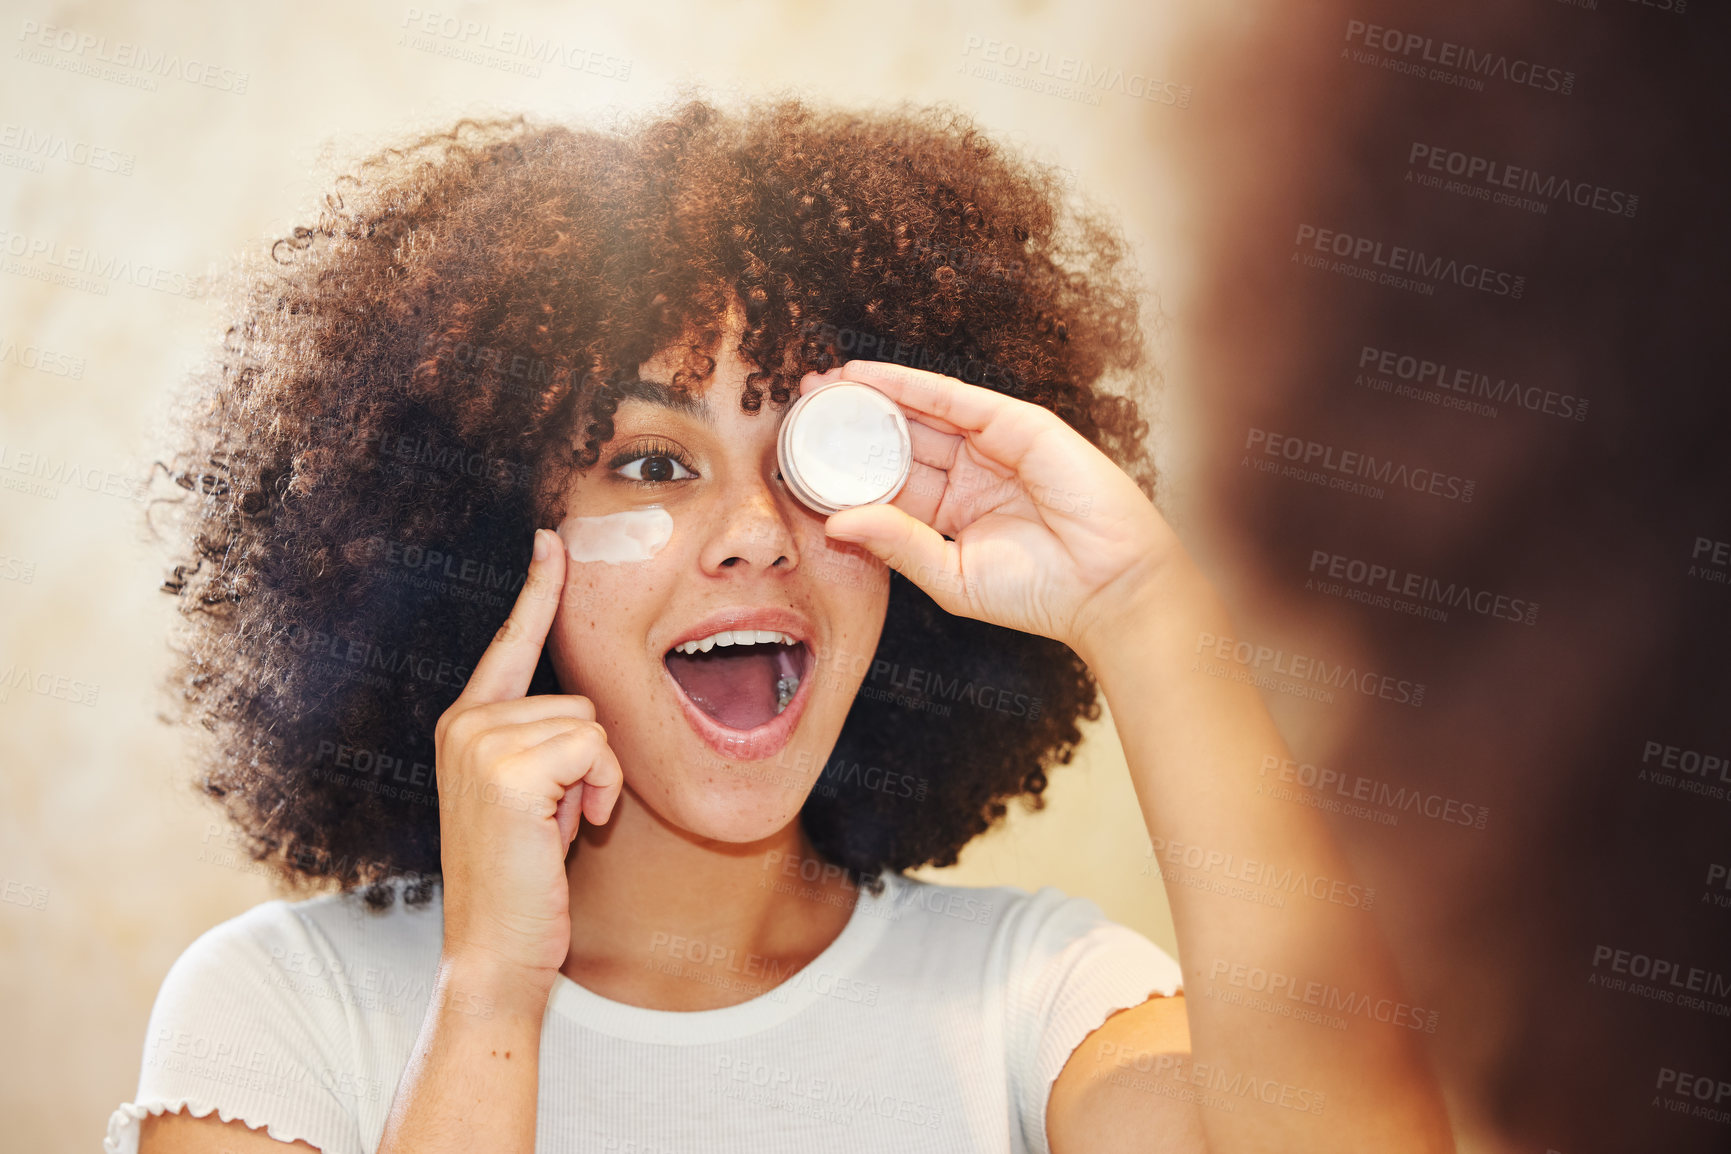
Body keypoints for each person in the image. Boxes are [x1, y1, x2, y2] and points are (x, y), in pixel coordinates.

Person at [113, 99, 1452, 1153]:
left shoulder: (1034, 998)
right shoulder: (282, 1009)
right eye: (651, 461)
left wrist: (1147, 615)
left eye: (821, 460)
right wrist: (490, 994)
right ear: (472, 535)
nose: (757, 529)